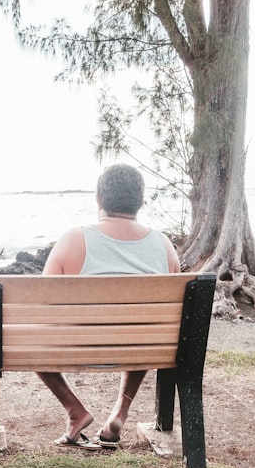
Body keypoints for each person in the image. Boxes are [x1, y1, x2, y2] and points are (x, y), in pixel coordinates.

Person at [38, 163, 180, 450]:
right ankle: (120, 412)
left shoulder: (73, 239)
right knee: (142, 328)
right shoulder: (163, 245)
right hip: (143, 350)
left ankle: (75, 411)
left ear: (98, 199)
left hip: (80, 349)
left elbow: (43, 304)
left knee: (30, 339)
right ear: (140, 201)